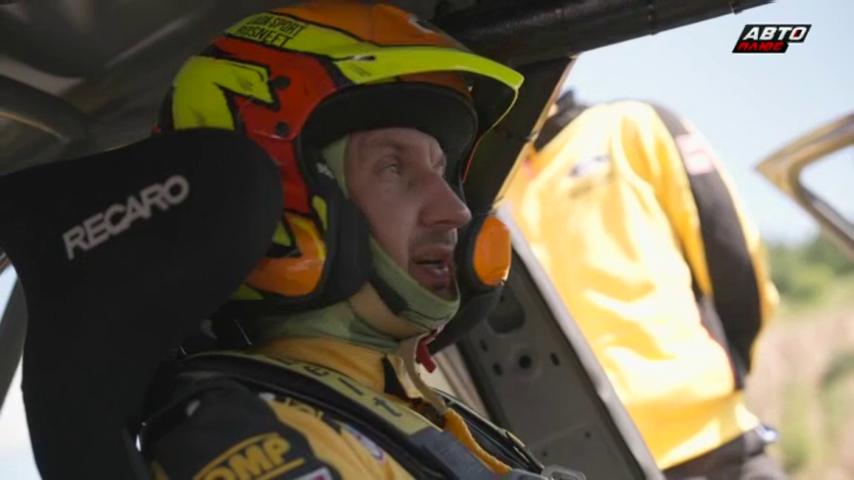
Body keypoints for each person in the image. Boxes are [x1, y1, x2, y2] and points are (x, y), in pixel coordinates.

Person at [138, 3, 577, 479]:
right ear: (275, 200)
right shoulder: (250, 434)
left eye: (440, 170)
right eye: (393, 168)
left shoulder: (428, 414)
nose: (456, 210)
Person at [505, 92, 786, 479]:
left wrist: (720, 370)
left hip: (713, 444)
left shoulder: (632, 126)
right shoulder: (491, 189)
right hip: (589, 461)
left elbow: (734, 259)